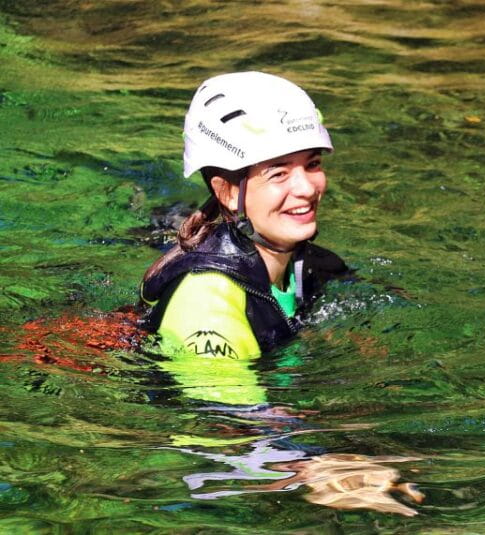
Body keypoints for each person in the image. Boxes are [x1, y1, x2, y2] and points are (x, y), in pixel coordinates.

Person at [139, 71, 350, 364]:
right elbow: (225, 406)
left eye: (312, 164)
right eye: (279, 173)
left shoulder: (311, 265)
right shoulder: (206, 307)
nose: (307, 188)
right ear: (226, 192)